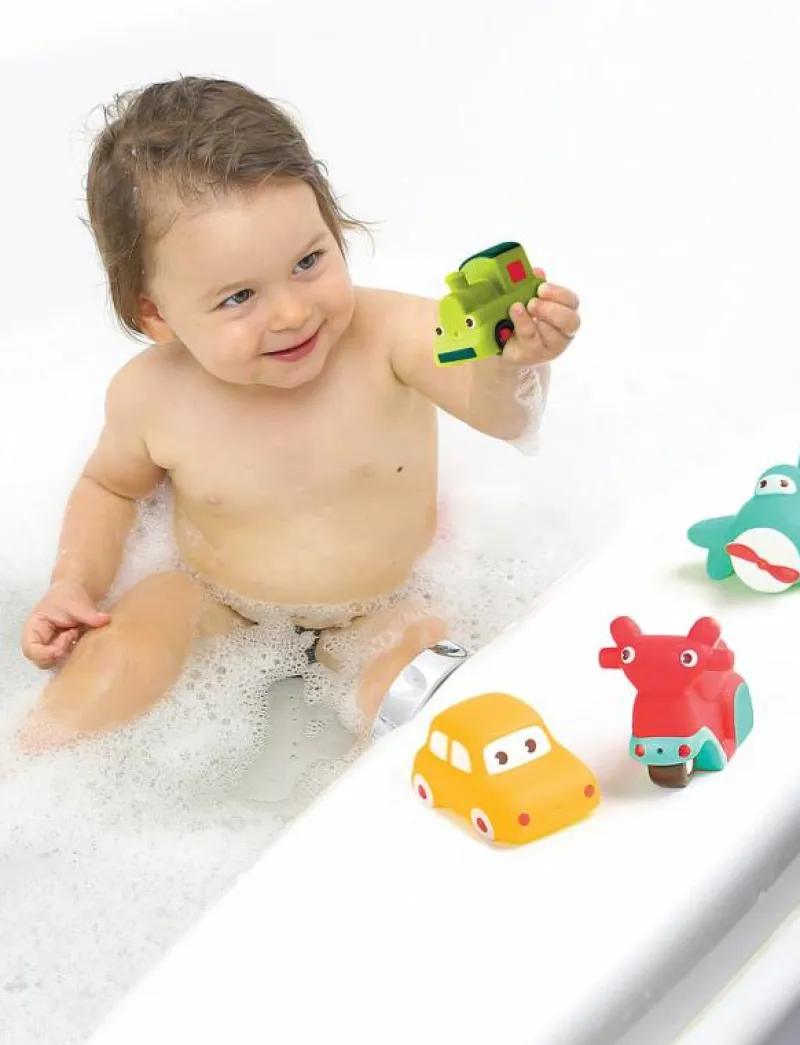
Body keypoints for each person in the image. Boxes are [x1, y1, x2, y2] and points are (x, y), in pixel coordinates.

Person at [19, 76, 581, 752]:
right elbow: (110, 488)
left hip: (380, 607)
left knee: (427, 693)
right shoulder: (151, 396)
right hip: (215, 604)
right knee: (114, 660)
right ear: (157, 314)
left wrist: (513, 363)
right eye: (239, 297)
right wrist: (73, 584)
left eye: (309, 261)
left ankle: (391, 799)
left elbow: (508, 421)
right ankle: (28, 776)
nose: (291, 312)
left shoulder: (392, 333)